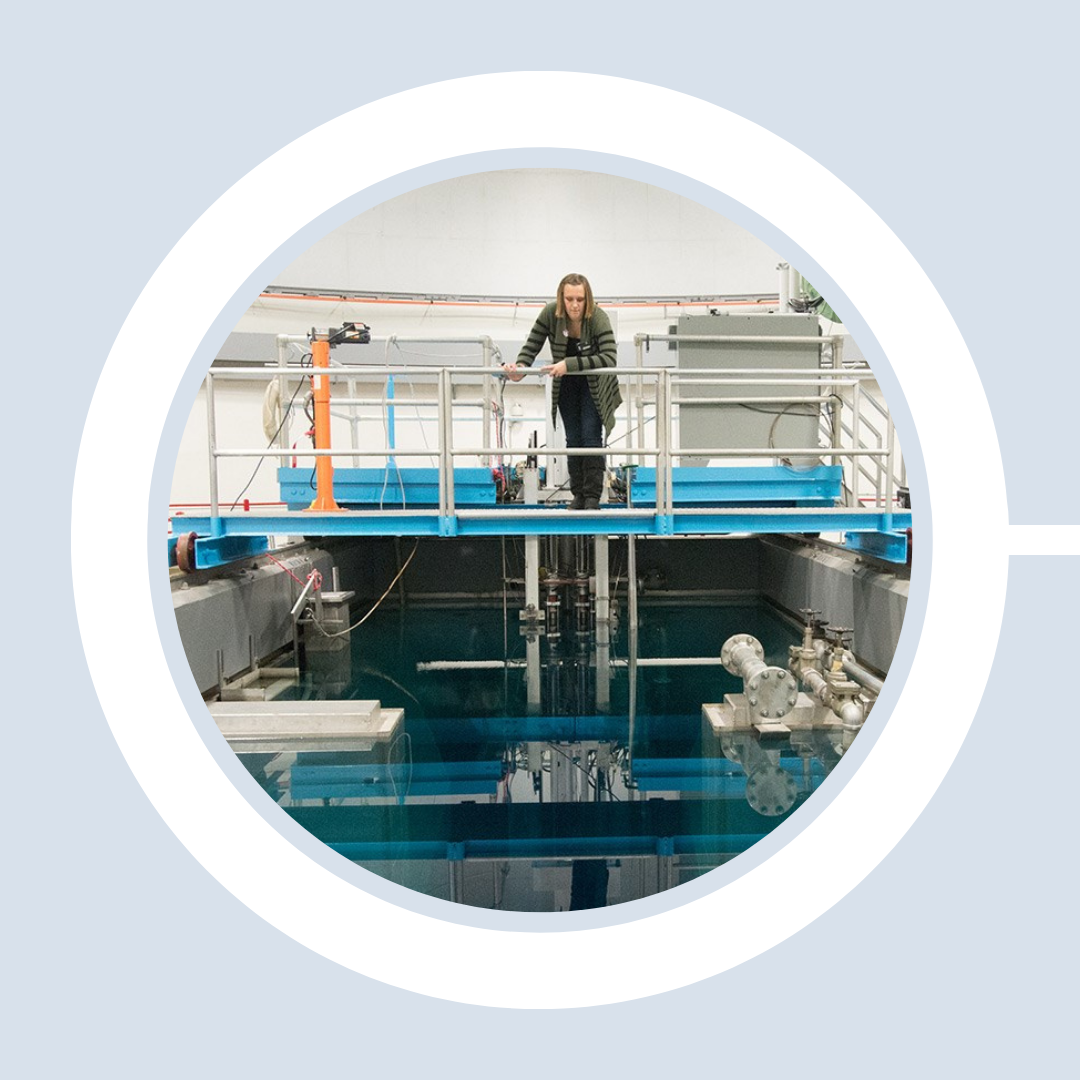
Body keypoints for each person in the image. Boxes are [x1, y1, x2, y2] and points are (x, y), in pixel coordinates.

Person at [502, 273, 621, 510]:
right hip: (566, 382)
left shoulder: (598, 317)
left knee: (590, 437)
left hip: (594, 384)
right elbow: (531, 346)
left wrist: (569, 364)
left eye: (580, 299)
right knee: (573, 438)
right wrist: (520, 369)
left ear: (587, 299)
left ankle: (592, 498)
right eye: (569, 299)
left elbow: (609, 357)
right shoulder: (550, 313)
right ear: (561, 298)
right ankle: (578, 494)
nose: (575, 305)